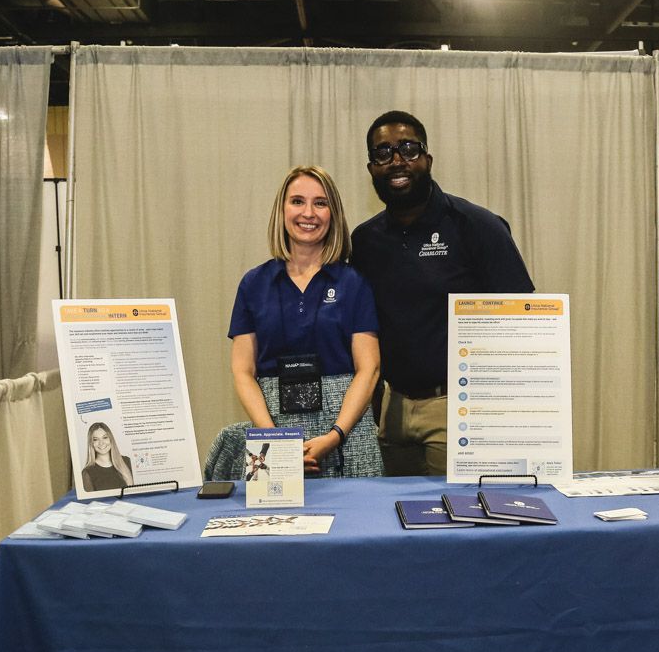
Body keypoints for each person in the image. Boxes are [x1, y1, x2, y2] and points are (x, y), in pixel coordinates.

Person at [350, 110, 534, 476]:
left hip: (459, 406)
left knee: (455, 511)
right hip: (393, 411)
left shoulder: (477, 226)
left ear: (428, 158)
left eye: (408, 148)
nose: (397, 160)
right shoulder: (365, 241)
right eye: (383, 153)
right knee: (394, 510)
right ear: (371, 168)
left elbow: (522, 321)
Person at [227, 166, 383, 476]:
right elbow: (242, 371)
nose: (308, 213)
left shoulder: (354, 283)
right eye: (297, 201)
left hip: (346, 432)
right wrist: (275, 439)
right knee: (273, 510)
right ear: (282, 209)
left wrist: (335, 435)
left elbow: (370, 369)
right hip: (272, 430)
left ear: (332, 213)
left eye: (320, 203)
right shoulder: (253, 284)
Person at [81, 422, 133, 491]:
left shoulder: (126, 461)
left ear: (111, 439)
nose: (101, 443)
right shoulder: (87, 472)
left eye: (105, 437)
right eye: (95, 439)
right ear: (91, 443)